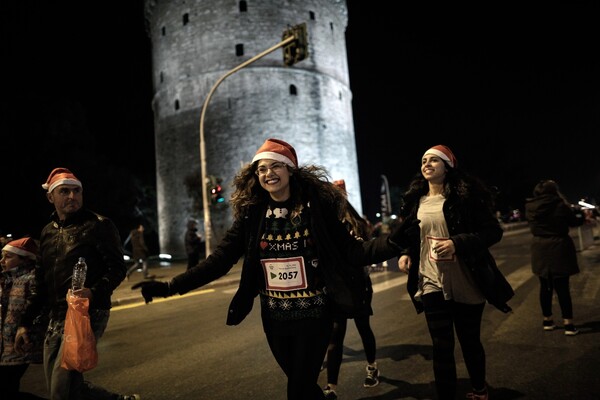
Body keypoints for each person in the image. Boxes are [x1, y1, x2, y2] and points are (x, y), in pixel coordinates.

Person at [132, 138, 415, 400]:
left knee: (297, 390)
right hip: (276, 319)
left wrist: (393, 242)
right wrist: (169, 287)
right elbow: (219, 260)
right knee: (303, 386)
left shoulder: (316, 209)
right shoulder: (253, 215)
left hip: (315, 315)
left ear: (291, 170)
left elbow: (353, 252)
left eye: (276, 166)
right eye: (262, 169)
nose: (268, 173)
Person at [397, 145, 513, 400]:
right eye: (423, 160)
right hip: (431, 280)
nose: (426, 164)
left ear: (447, 167)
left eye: (434, 160)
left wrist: (457, 243)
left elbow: (493, 232)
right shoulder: (417, 201)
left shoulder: (465, 199)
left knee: (469, 341)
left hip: (465, 278)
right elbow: (411, 234)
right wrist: (406, 253)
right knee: (441, 345)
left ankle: (480, 390)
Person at [15, 167, 140, 400]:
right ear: (50, 197)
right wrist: (25, 323)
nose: (72, 196)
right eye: (65, 191)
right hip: (56, 317)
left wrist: (93, 292)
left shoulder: (99, 225)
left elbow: (117, 269)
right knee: (69, 387)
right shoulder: (47, 233)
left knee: (59, 391)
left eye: (77, 191)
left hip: (87, 313)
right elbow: (40, 283)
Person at [322, 180, 380, 400]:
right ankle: (332, 387)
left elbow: (366, 247)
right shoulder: (325, 220)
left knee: (363, 327)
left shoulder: (356, 221)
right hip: (336, 285)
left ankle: (372, 366)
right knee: (335, 335)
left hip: (358, 283)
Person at [524, 179, 584, 336]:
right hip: (559, 247)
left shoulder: (530, 206)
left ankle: (547, 320)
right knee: (563, 287)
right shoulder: (560, 205)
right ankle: (568, 324)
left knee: (545, 286)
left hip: (540, 248)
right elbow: (574, 221)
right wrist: (582, 215)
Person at [1, 237, 45, 399]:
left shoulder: (32, 279)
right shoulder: (8, 279)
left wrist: (25, 327)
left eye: (8, 257)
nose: (2, 261)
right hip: (6, 344)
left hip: (21, 343)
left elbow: (37, 306)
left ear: (24, 259)